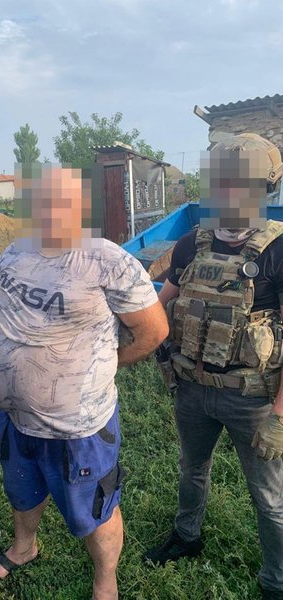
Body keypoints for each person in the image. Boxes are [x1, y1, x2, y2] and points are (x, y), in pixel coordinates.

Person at [0, 164, 169, 599]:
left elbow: (154, 331)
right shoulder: (14, 251)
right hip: (13, 416)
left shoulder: (108, 261)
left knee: (95, 509)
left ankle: (105, 580)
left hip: (76, 429)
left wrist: (103, 368)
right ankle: (24, 547)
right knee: (21, 490)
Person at [144, 134, 283, 600]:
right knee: (192, 470)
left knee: (270, 497)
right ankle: (187, 536)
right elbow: (161, 306)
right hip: (193, 390)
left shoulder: (278, 250)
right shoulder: (191, 244)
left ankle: (276, 581)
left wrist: (280, 416)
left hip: (252, 400)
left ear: (264, 188)